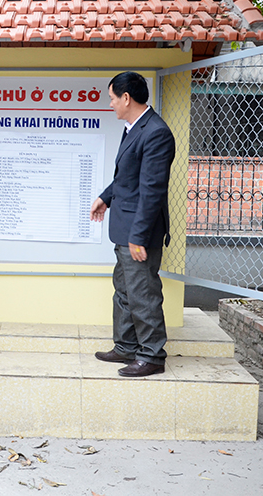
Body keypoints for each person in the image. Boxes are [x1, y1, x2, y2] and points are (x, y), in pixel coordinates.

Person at [90, 71, 176, 378]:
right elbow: (127, 177)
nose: (110, 103)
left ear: (126, 98)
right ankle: (126, 346)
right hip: (125, 228)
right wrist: (105, 197)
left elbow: (152, 190)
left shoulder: (156, 132)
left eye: (112, 98)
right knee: (125, 291)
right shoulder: (133, 128)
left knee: (143, 294)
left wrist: (138, 237)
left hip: (139, 233)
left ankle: (152, 355)